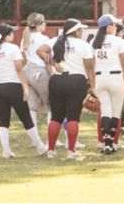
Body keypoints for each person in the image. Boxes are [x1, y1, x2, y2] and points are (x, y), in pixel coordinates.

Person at [0, 24, 47, 158]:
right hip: (13, 86)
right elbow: (19, 68)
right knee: (26, 118)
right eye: (11, 33)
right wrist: (25, 87)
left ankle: (6, 151)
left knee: (3, 120)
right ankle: (40, 147)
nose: (13, 35)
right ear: (6, 36)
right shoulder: (13, 48)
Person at [40, 19, 95, 159]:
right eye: (80, 30)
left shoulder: (55, 41)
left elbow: (39, 51)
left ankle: (51, 150)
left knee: (56, 117)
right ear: (75, 31)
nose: (81, 32)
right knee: (73, 117)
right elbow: (89, 68)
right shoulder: (83, 44)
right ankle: (71, 151)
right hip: (76, 80)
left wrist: (53, 63)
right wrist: (92, 86)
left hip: (57, 80)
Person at [93, 14, 124, 154]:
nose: (115, 27)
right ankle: (111, 143)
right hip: (115, 76)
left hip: (100, 78)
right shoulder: (119, 41)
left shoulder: (95, 41)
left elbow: (91, 63)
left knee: (105, 111)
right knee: (115, 112)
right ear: (108, 26)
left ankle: (106, 143)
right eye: (114, 25)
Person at [20, 13, 51, 127]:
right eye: (43, 22)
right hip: (40, 71)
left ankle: (35, 137)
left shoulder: (24, 39)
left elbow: (23, 58)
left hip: (27, 71)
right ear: (38, 25)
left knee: (32, 107)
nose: (45, 24)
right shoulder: (44, 38)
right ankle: (51, 138)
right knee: (50, 105)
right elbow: (47, 59)